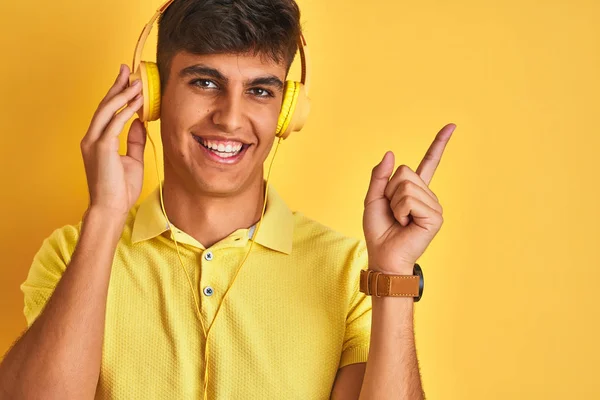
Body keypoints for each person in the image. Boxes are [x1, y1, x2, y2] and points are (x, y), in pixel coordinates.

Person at [0, 0, 455, 398]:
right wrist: (103, 216)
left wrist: (393, 276)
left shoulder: (348, 270)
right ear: (152, 95)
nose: (231, 118)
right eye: (204, 82)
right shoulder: (71, 253)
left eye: (260, 90)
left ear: (287, 111)